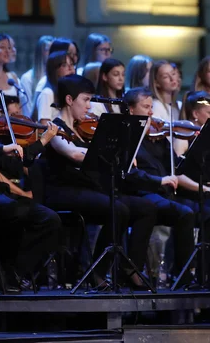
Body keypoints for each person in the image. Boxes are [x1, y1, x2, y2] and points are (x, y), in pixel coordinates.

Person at [43, 75, 156, 289]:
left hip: (88, 190)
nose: (89, 106)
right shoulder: (54, 128)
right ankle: (97, 272)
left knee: (146, 208)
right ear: (69, 99)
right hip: (63, 192)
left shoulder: (83, 128)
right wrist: (104, 150)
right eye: (85, 100)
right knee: (119, 209)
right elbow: (74, 154)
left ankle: (130, 267)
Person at [0, 76, 61, 293]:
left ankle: (12, 270)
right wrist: (1, 148)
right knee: (12, 209)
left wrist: (42, 141)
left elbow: (19, 161)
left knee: (49, 219)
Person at [123, 87, 196, 287]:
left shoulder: (157, 136)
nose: (151, 113)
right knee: (183, 213)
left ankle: (184, 273)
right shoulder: (126, 135)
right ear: (130, 109)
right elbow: (129, 175)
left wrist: (193, 151)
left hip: (162, 193)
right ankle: (137, 269)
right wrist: (160, 181)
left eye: (151, 107)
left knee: (200, 211)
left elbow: (176, 165)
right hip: (141, 193)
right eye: (146, 107)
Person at [33, 51, 75, 123]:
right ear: (54, 70)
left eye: (71, 64)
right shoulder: (47, 93)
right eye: (64, 65)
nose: (70, 68)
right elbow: (45, 126)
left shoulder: (70, 93)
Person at [20, 35, 54, 117]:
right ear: (40, 53)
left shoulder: (56, 77)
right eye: (48, 50)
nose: (52, 53)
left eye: (53, 50)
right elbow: (28, 110)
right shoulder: (27, 78)